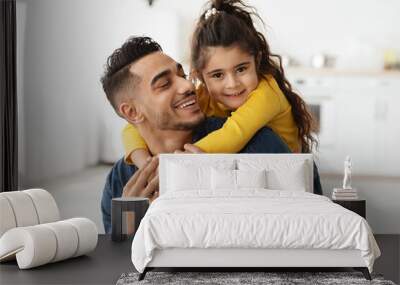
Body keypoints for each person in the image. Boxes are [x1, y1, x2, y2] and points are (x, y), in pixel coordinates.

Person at [100, 36, 323, 234]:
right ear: (132, 112)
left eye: (182, 74)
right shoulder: (121, 181)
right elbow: (121, 265)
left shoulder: (257, 144)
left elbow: (314, 226)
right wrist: (130, 220)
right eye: (165, 84)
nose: (188, 85)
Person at [121, 0, 317, 169]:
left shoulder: (267, 92)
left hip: (290, 175)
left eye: (241, 69)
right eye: (217, 75)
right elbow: (134, 126)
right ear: (200, 76)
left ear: (256, 61)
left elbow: (234, 133)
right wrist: (143, 159)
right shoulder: (203, 96)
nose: (232, 84)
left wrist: (177, 161)